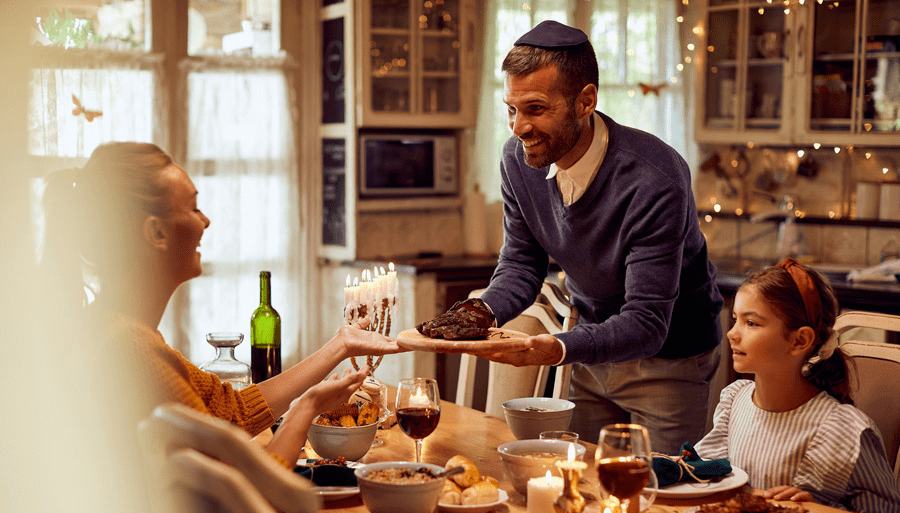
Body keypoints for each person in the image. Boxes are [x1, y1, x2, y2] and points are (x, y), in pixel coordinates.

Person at [40, 141, 402, 468]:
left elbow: (232, 412)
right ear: (157, 233)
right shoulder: (135, 355)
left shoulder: (118, 330)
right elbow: (248, 498)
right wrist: (304, 410)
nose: (206, 221)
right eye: (194, 208)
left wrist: (339, 346)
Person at [464, 20, 723, 454]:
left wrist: (556, 348)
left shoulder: (654, 178)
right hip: (589, 348)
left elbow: (647, 323)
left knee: (661, 495)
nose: (518, 128)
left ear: (585, 102)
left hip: (670, 359)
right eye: (511, 109)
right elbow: (521, 266)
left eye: (535, 109)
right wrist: (477, 315)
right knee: (578, 484)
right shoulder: (518, 159)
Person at [694, 259, 900, 513]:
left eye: (752, 323)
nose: (732, 334)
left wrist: (821, 510)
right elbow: (703, 474)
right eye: (736, 319)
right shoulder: (734, 402)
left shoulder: (843, 430)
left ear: (800, 340)